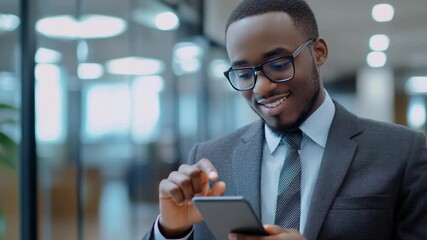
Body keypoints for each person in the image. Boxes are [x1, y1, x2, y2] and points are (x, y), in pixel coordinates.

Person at [143, 0, 427, 239]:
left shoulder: (402, 152)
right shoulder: (210, 159)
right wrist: (170, 231)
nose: (261, 88)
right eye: (244, 74)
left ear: (318, 52)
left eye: (279, 65)